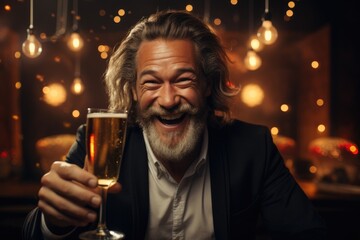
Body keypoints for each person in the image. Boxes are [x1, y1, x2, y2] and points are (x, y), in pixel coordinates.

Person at [23, 9, 327, 240]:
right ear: (132, 91)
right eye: (151, 83)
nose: (168, 100)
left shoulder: (253, 147)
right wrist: (53, 222)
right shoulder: (102, 143)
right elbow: (32, 233)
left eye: (184, 80)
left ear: (208, 85)